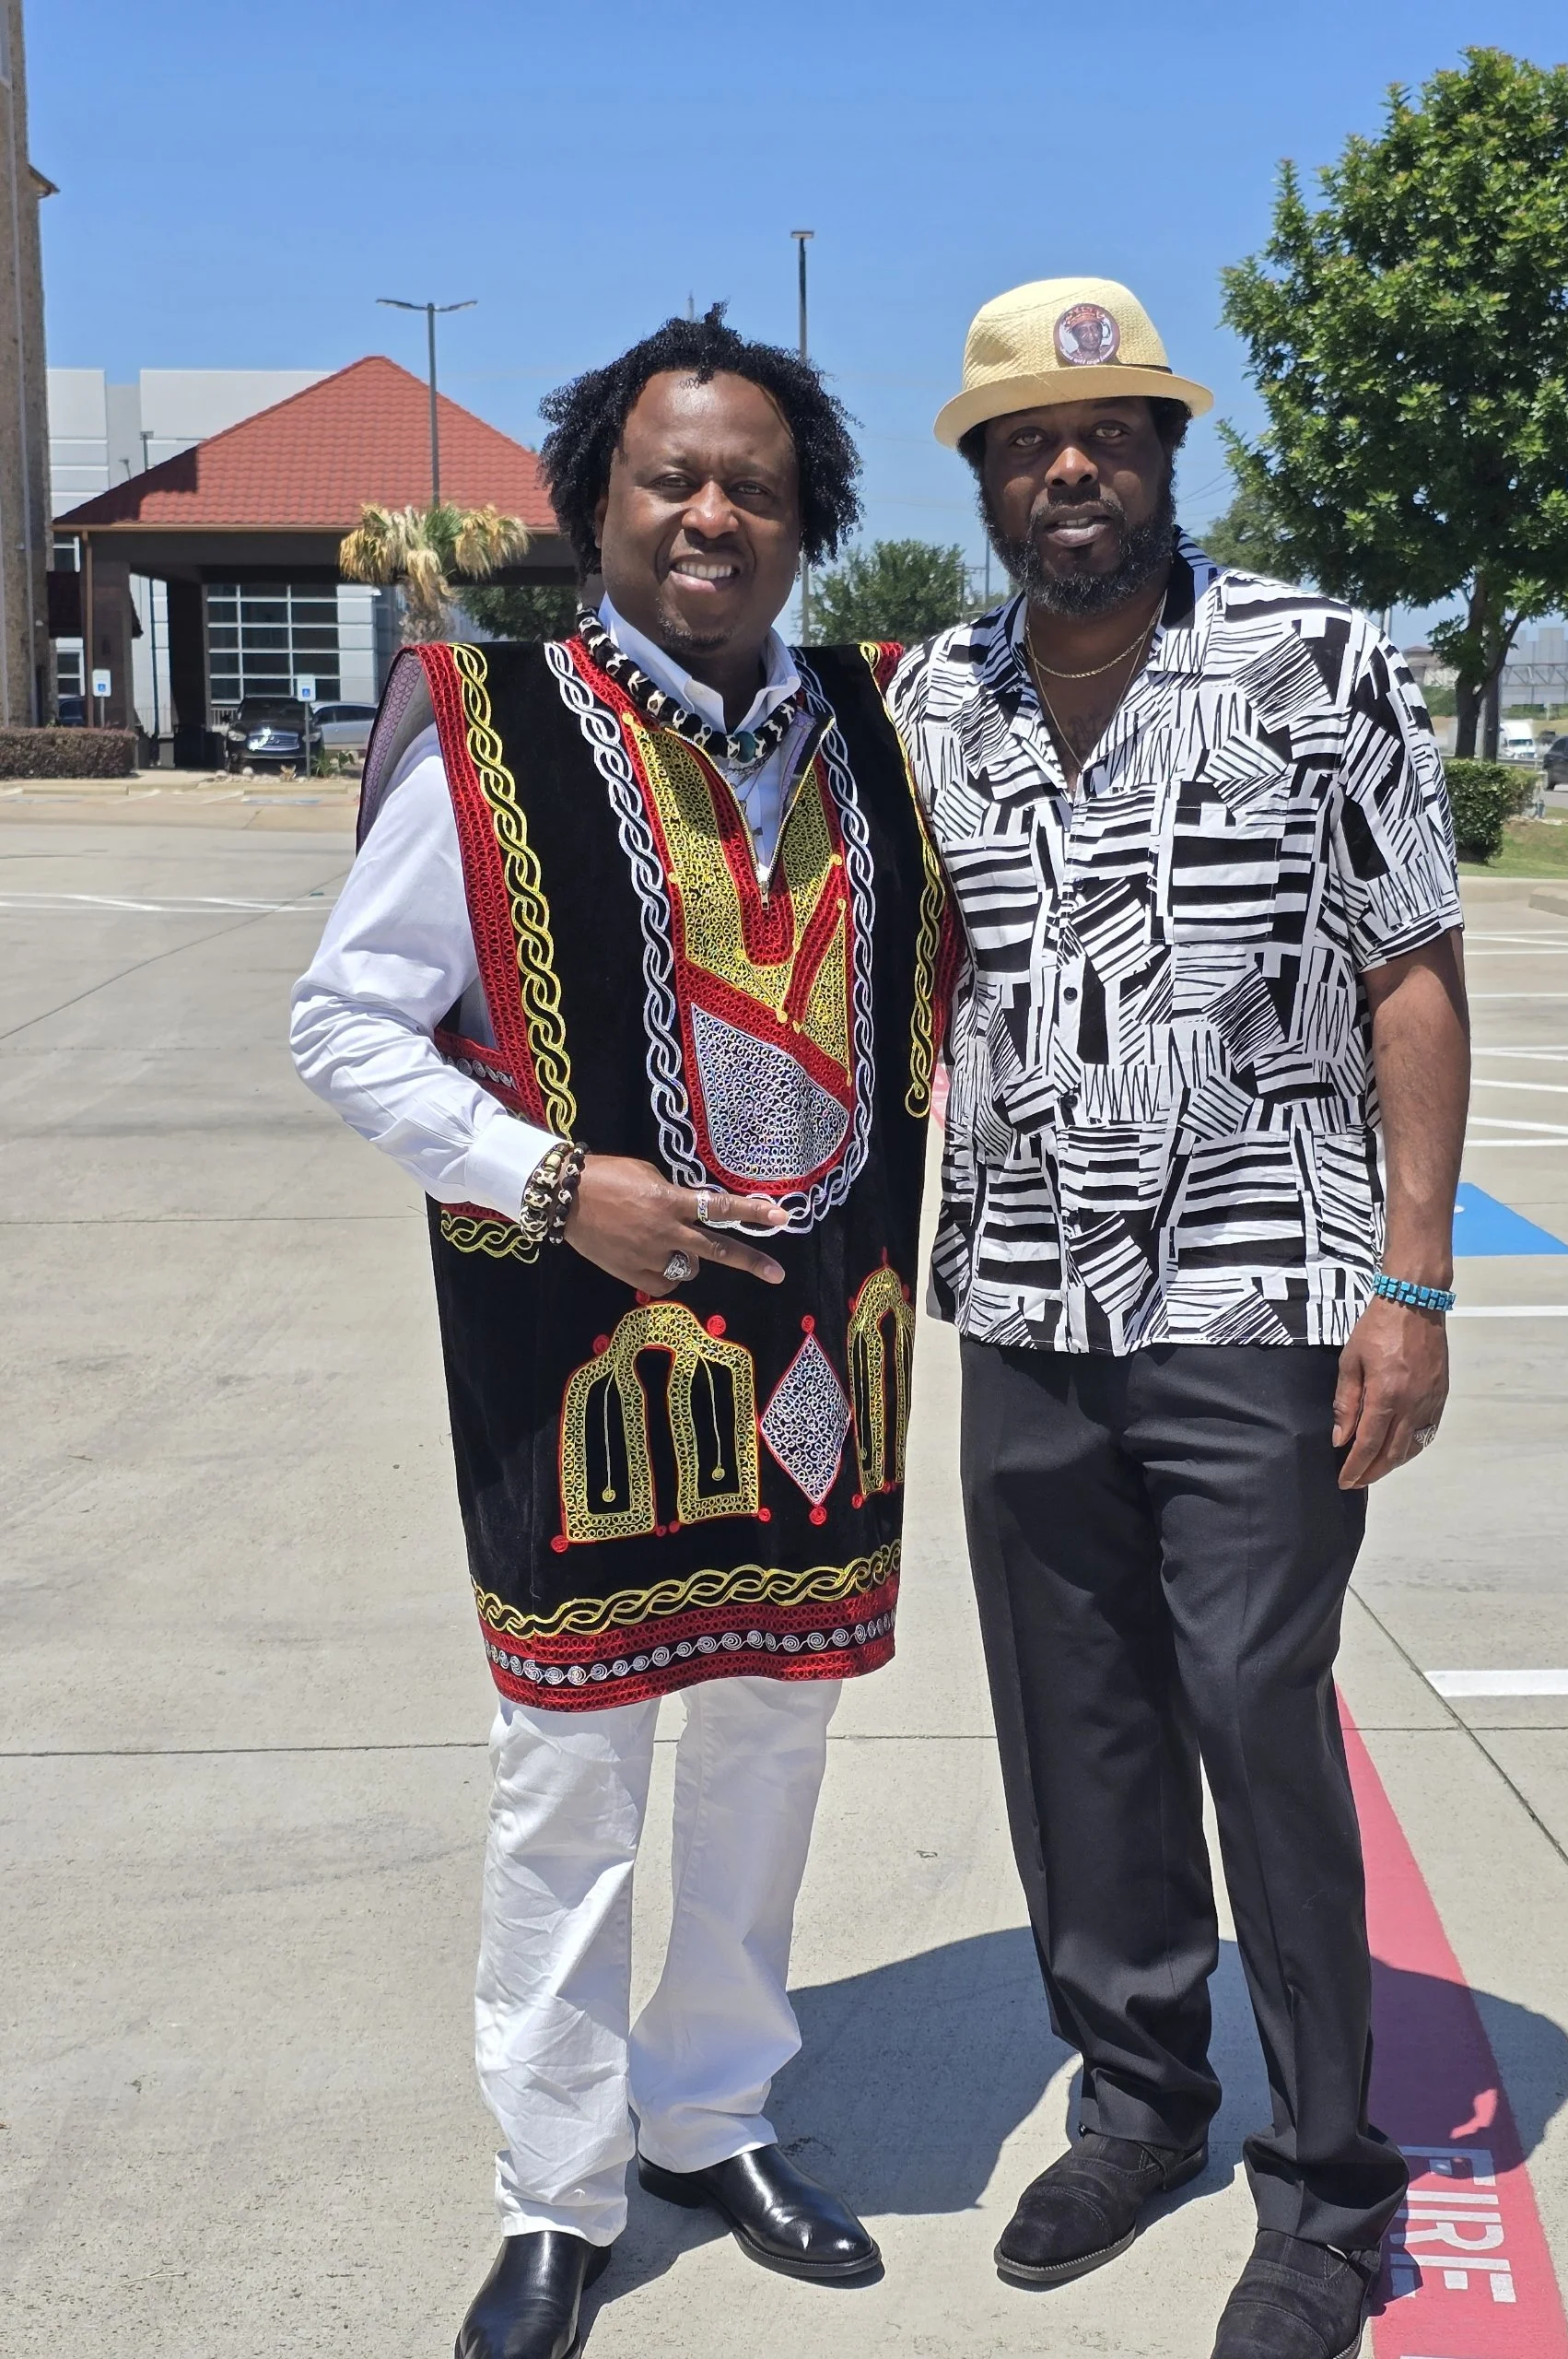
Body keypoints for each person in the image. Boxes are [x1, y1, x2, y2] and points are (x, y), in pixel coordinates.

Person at [291, 306, 950, 2359]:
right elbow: (342, 1025)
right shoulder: (483, 729)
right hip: (579, 1369)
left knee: (766, 1750)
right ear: (597, 501)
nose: (712, 512)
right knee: (567, 1781)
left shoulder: (876, 719)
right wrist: (556, 1177)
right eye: (671, 474)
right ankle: (556, 2190)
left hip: (824, 1363)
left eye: (754, 481)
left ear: (808, 518)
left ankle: (716, 2111)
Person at [889, 277, 1469, 2359]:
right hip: (1025, 1295)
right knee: (1079, 1717)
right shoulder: (926, 701)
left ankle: (1328, 2185)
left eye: (1110, 433)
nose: (1072, 466)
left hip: (1263, 1284)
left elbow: (1411, 961)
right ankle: (1142, 2097)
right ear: (981, 475)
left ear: (1162, 457)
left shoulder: (1316, 661)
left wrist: (1410, 1281)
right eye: (1032, 441)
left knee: (1250, 1697)